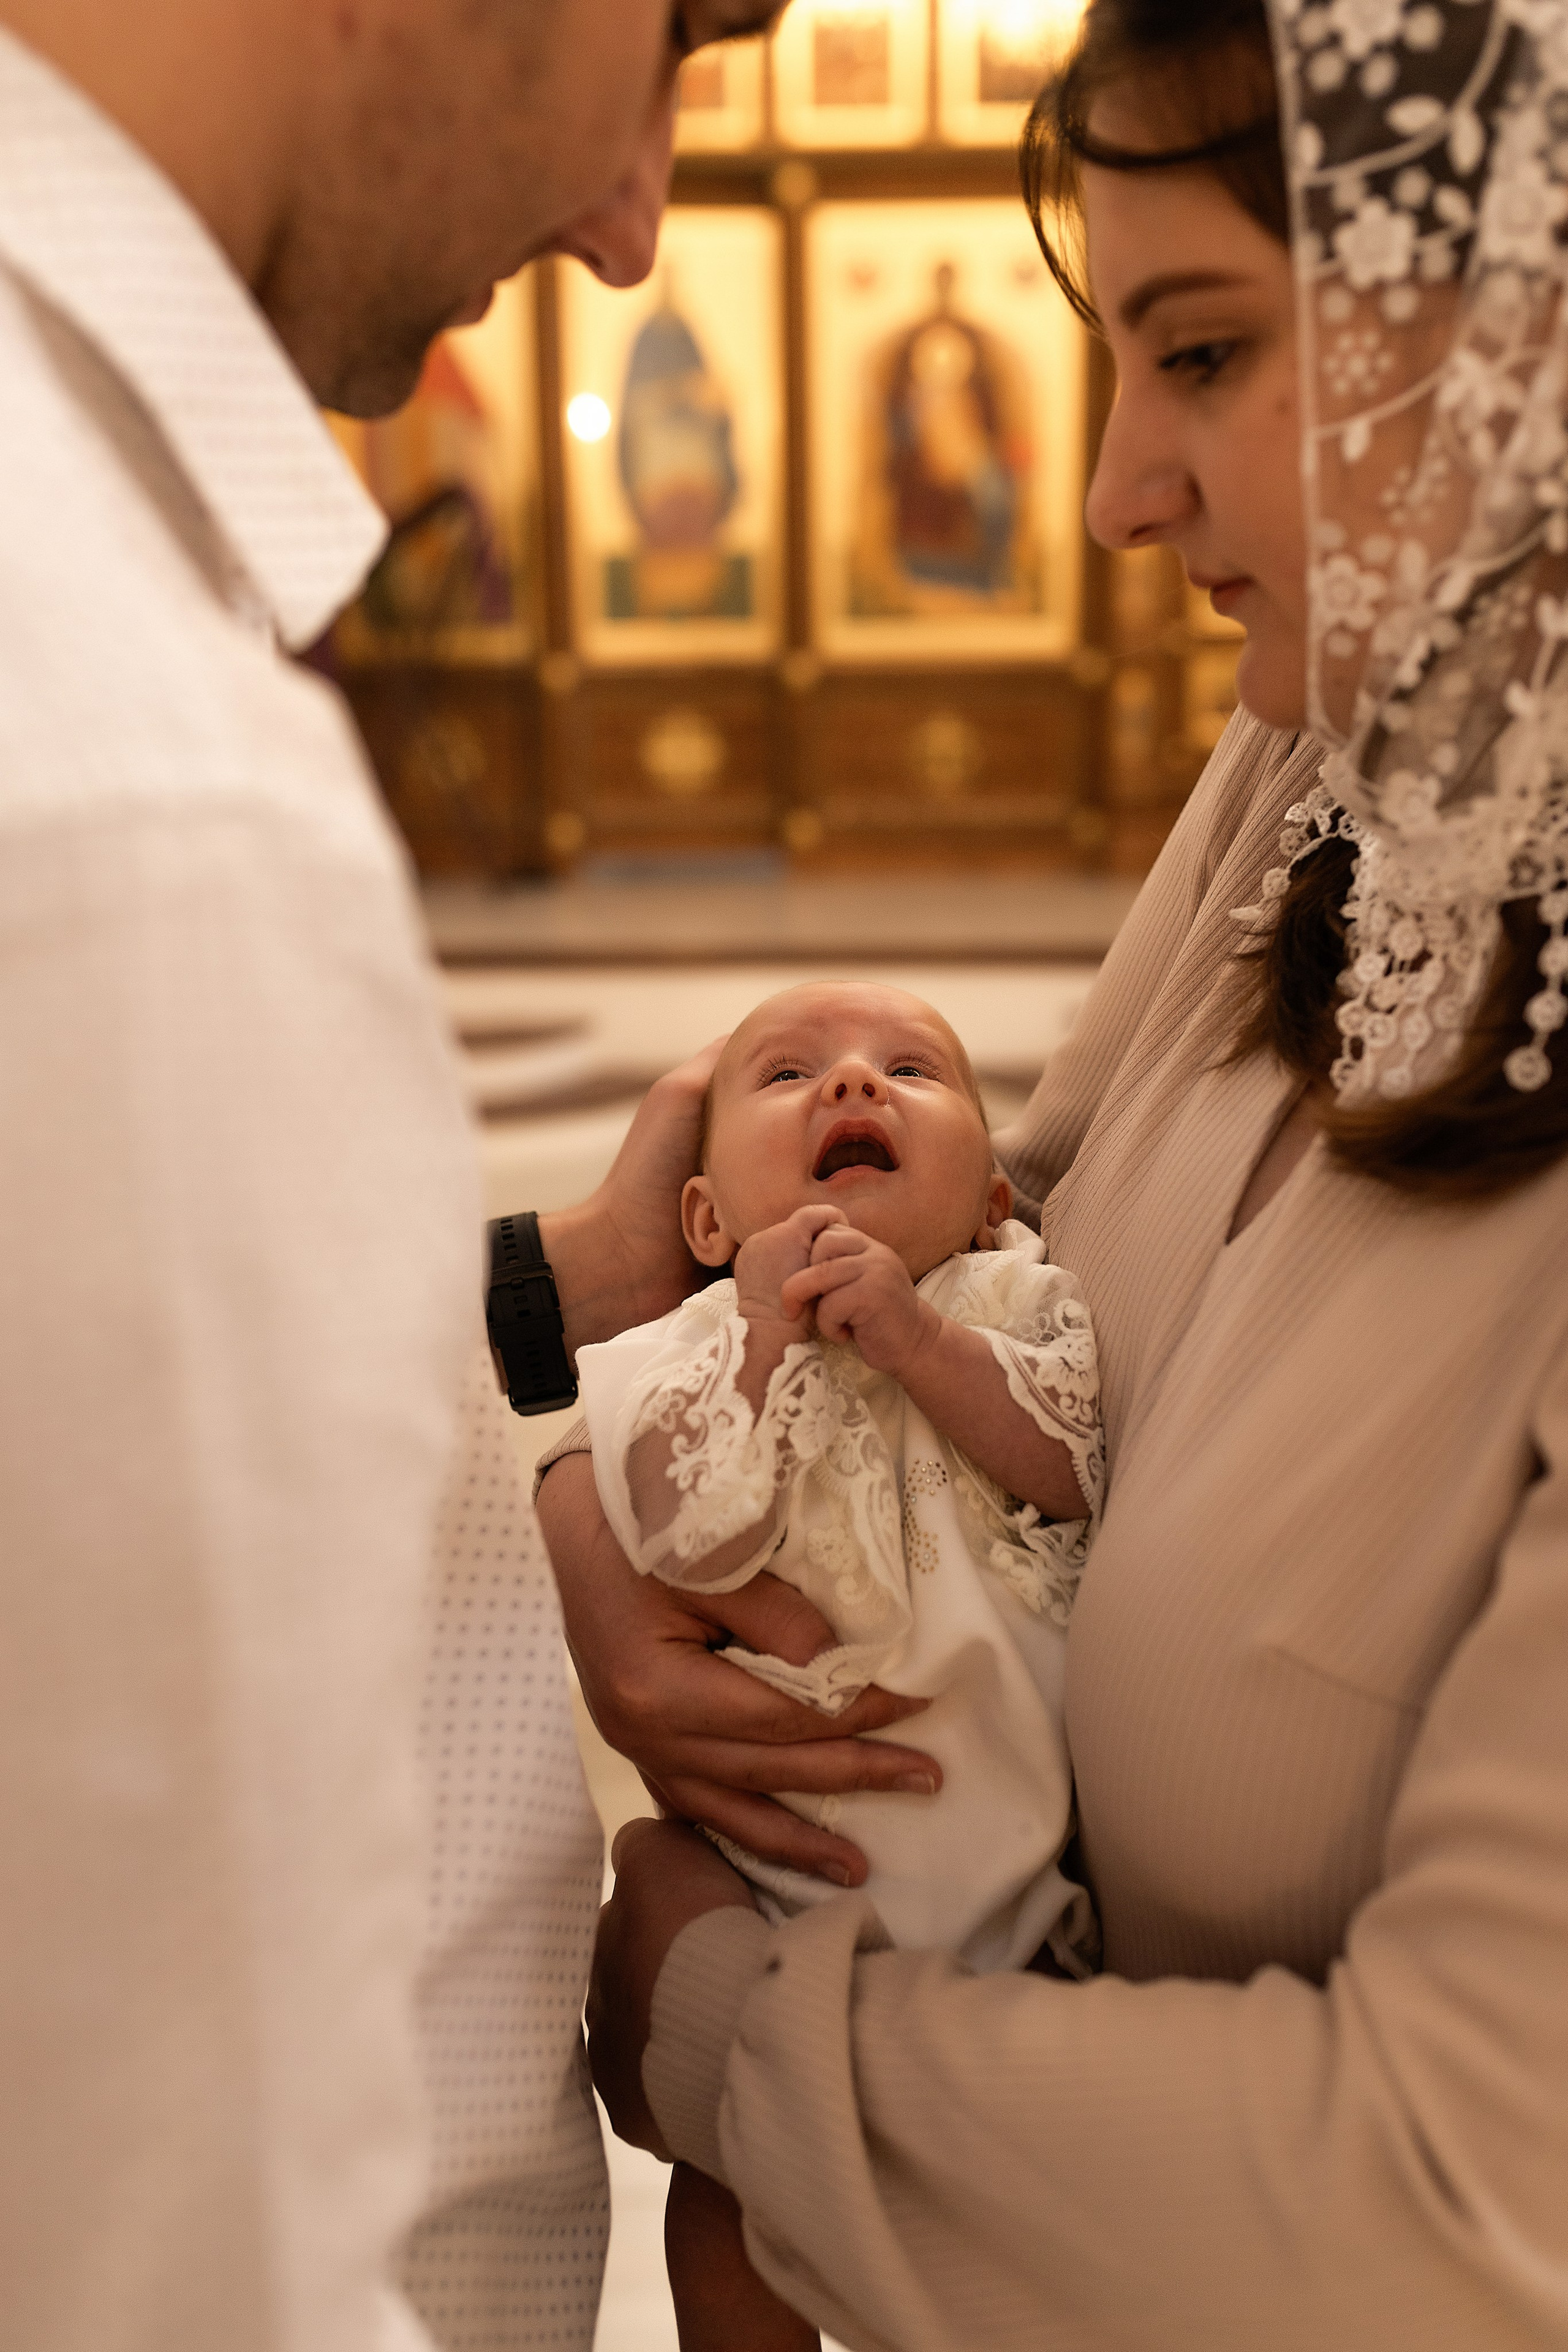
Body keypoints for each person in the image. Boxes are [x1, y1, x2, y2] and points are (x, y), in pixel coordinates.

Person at [555, 2, 1568, 2343]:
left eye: (1200, 351)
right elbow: (992, 1236)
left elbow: (1463, 2199)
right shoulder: (1336, 761)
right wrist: (601, 1530)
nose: (1110, 492)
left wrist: (719, 2032)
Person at [0, 7, 831, 2352]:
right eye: (678, 33)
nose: (636, 217)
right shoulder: (129, 800)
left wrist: (534, 1297)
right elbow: (162, 2257)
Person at [576, 980, 1101, 2351]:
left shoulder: (1016, 1300)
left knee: (1022, 2247)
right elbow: (691, 1539)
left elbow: (1077, 1468)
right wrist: (759, 1334)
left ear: (990, 1201)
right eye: (787, 1074)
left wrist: (920, 1341)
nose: (855, 1085)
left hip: (1033, 1911)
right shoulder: (678, 1353)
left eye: (910, 1070)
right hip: (776, 1891)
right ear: (704, 1222)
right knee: (732, 2203)